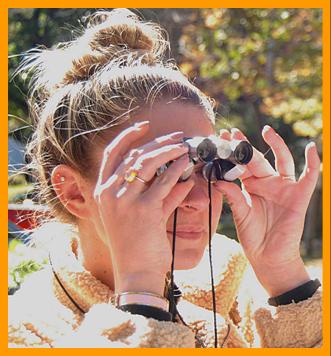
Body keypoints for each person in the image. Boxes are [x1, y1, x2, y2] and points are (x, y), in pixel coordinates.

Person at [8, 9, 322, 348]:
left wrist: (286, 278)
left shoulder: (230, 282)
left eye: (207, 167)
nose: (199, 200)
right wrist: (141, 300)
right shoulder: (23, 330)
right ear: (74, 192)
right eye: (162, 170)